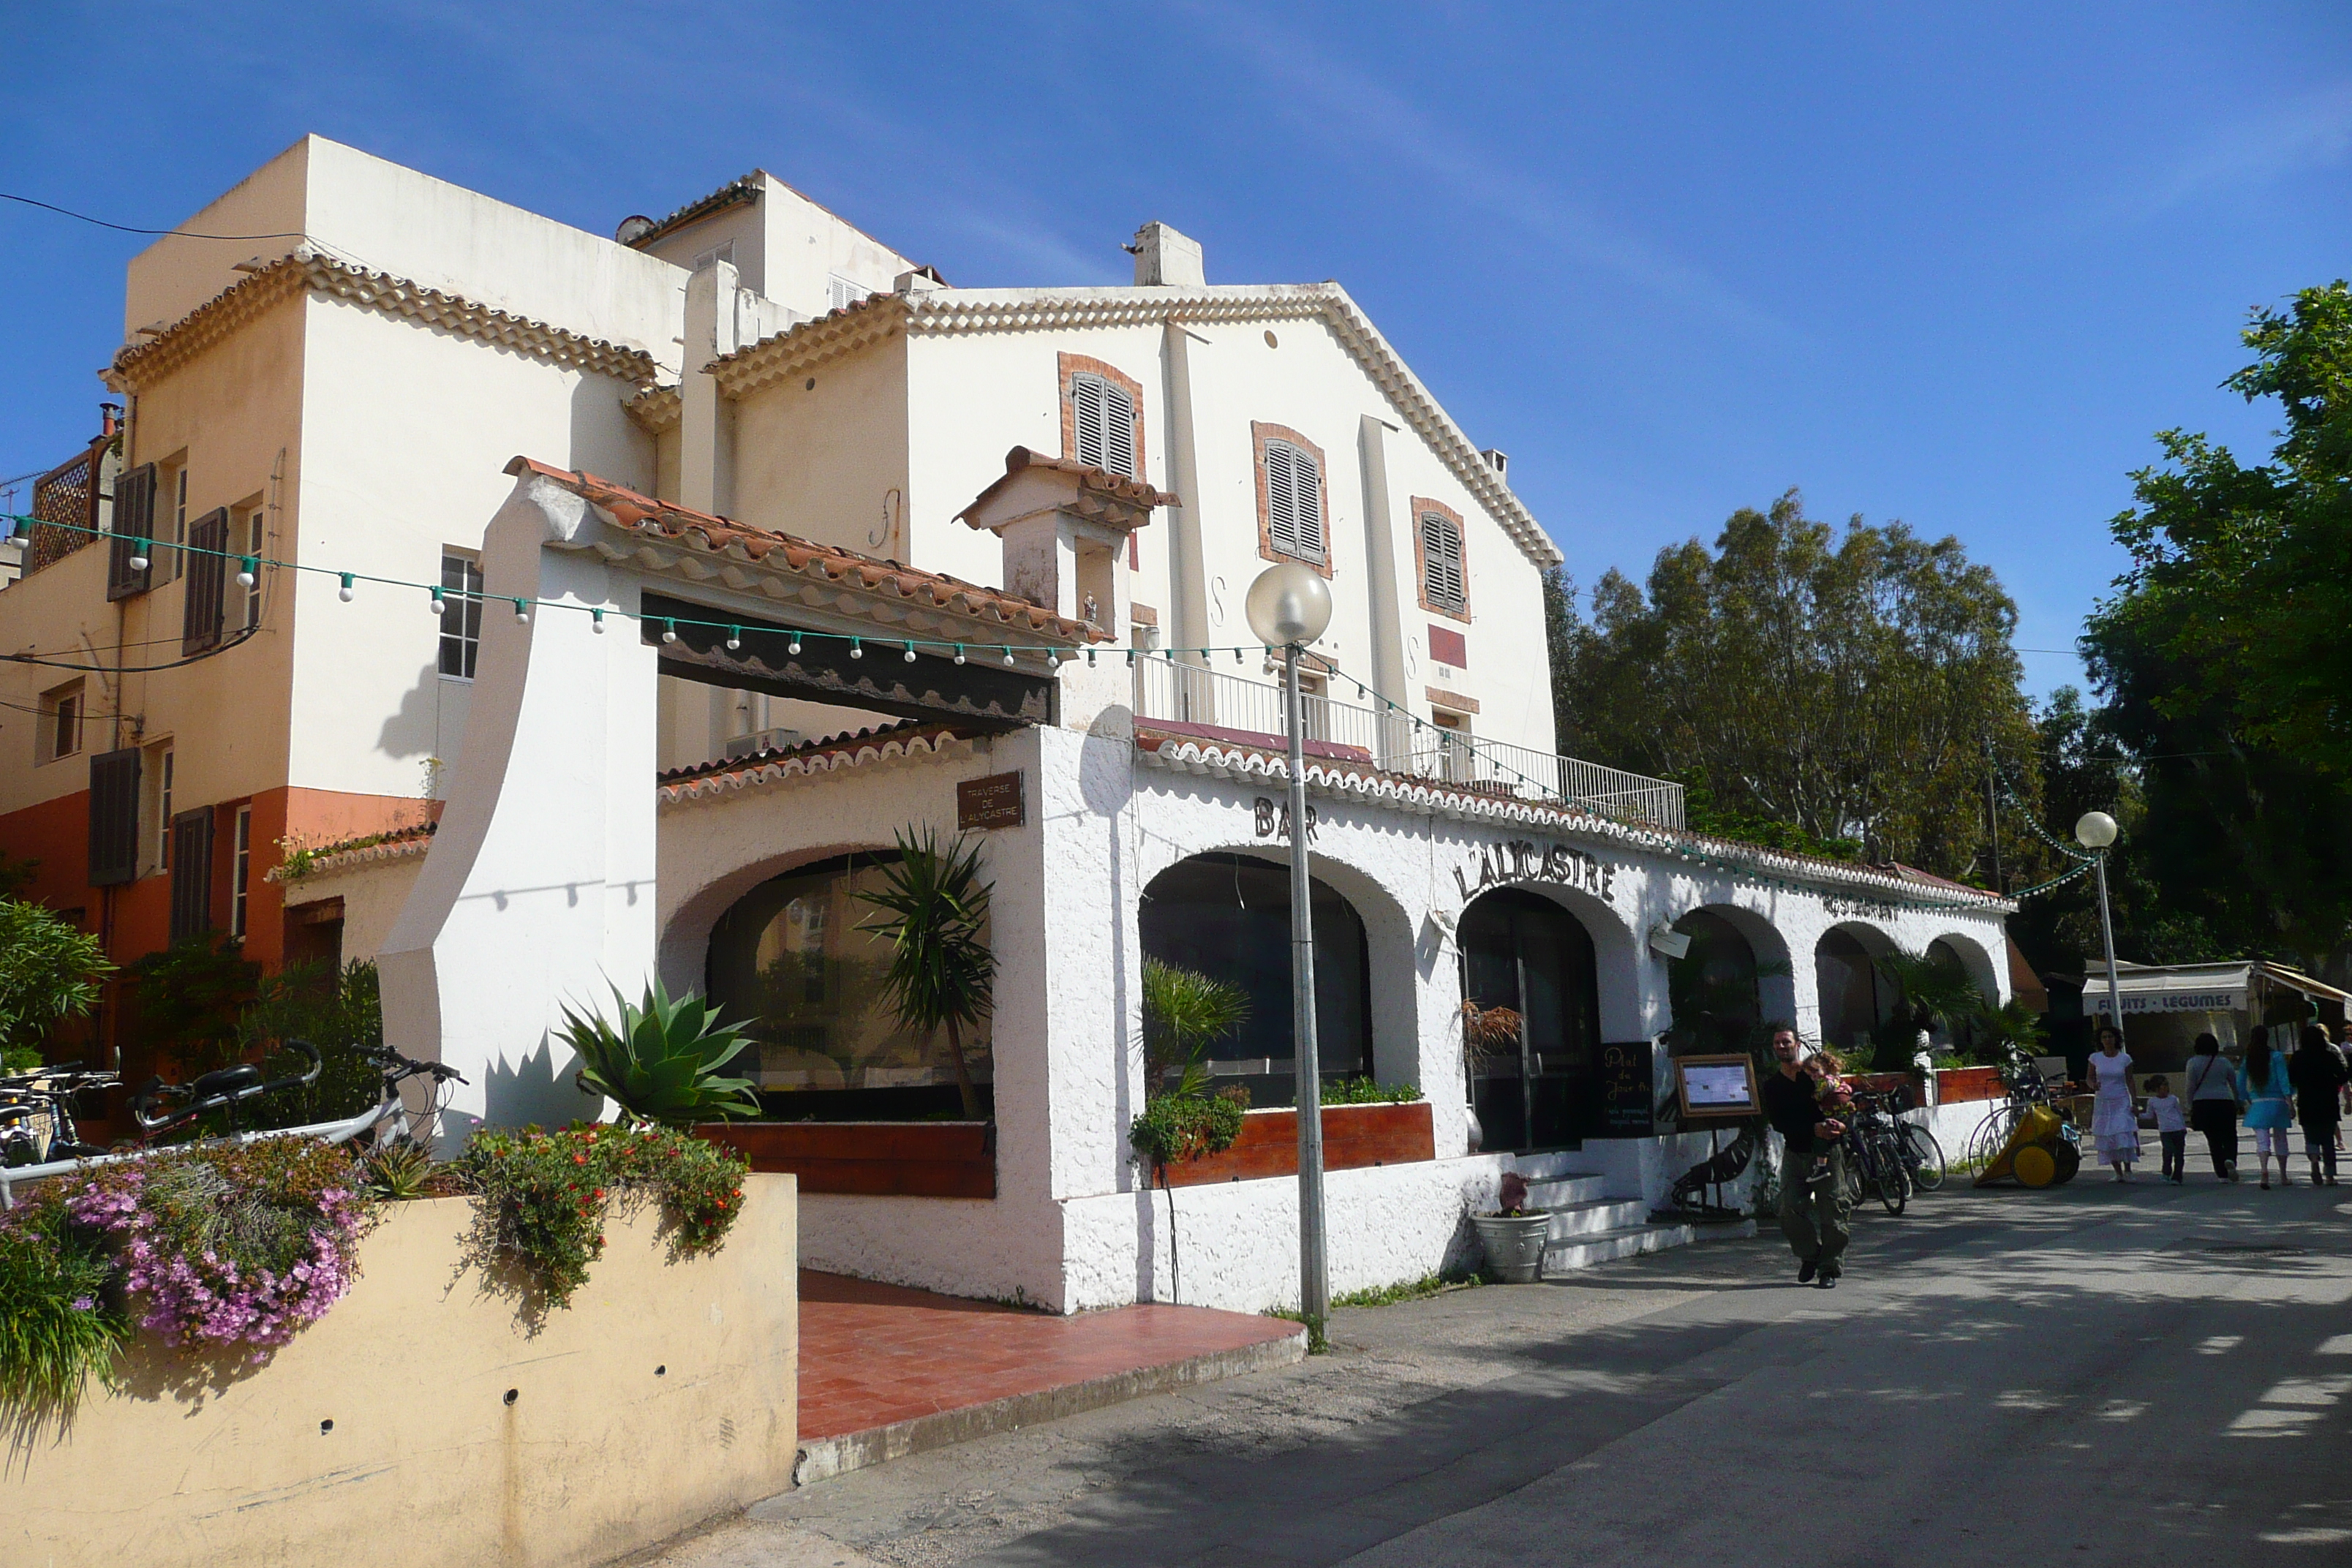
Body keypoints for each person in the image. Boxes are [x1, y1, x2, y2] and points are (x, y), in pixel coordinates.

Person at [1762, 1025, 1849, 1288]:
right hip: (1795, 1153)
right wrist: (1811, 1128)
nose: (1781, 1047)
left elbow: (1841, 1101)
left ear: (1797, 1044)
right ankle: (1810, 1256)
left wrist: (1843, 1126)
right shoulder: (1773, 1085)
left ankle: (1829, 1269)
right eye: (1777, 1043)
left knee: (1834, 1211)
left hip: (1827, 1152)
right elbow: (1778, 1122)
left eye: (1786, 1042)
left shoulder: (1815, 1075)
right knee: (1788, 1210)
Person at [2291, 1024, 2346, 1186]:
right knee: (2328, 1140)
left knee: (2311, 1136)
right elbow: (2343, 1076)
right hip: (2328, 1101)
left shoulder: (2298, 1057)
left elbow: (2292, 1079)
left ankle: (2314, 1160)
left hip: (2306, 1101)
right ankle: (2329, 1175)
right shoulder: (2329, 1056)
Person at [2242, 1025, 2296, 1189]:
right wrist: (2290, 1101)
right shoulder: (2277, 1056)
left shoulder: (2249, 1058)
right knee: (2281, 1138)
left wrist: (2246, 1098)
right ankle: (2283, 1174)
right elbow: (2283, 1080)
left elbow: (2240, 1082)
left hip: (2258, 1102)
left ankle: (2264, 1170)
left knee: (2262, 1140)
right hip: (2278, 1101)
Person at [2085, 1024, 2141, 1181]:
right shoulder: (2095, 1058)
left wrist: (2135, 1101)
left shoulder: (2125, 1058)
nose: (2108, 1040)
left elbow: (2130, 1080)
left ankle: (2128, 1170)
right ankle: (2118, 1172)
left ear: (2116, 1038)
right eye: (2104, 1037)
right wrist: (2093, 1085)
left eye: (2110, 1036)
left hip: (2121, 1099)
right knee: (2107, 1133)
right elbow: (2089, 1078)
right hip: (2103, 1101)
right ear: (2100, 1040)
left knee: (2123, 1131)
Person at [2185, 1033, 2239, 1181]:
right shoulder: (2224, 1062)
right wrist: (2238, 1101)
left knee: (2213, 1139)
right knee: (2230, 1135)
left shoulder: (2193, 1063)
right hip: (2225, 1102)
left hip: (2203, 1103)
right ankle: (2231, 1159)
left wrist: (2190, 1105)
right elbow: (2234, 1084)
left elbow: (2190, 1087)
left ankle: (2222, 1174)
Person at [2144, 1075, 2187, 1184]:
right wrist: (2137, 1115)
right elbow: (2149, 1115)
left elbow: (2179, 1113)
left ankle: (2177, 1176)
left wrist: (2184, 1126)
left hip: (2178, 1129)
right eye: (2164, 1086)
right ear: (2157, 1088)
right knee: (2168, 1151)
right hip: (2165, 1130)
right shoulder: (2152, 1101)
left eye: (2167, 1086)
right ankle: (2166, 1172)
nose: (2166, 1089)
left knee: (2179, 1154)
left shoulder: (2173, 1099)